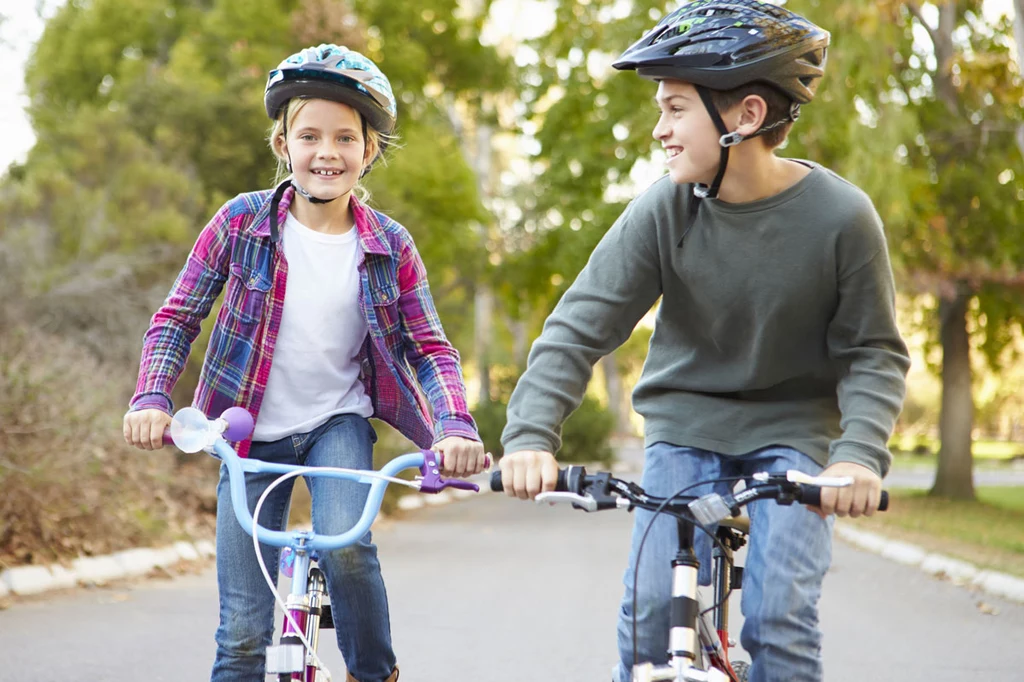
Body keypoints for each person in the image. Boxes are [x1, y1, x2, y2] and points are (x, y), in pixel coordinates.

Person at [497, 3, 910, 681]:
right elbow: (578, 328)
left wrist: (858, 458)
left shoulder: (841, 218)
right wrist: (530, 437)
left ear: (743, 117)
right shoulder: (664, 209)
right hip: (686, 428)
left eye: (675, 108)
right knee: (649, 614)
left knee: (779, 618)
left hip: (795, 434)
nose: (659, 129)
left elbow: (874, 351)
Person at [123, 44, 486, 682]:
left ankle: (373, 672)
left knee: (346, 550)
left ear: (368, 151)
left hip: (335, 424)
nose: (327, 152)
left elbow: (429, 347)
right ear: (282, 144)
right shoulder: (240, 223)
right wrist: (151, 398)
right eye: (310, 135)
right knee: (240, 632)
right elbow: (176, 318)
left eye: (346, 137)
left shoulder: (390, 246)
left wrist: (455, 426)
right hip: (245, 432)